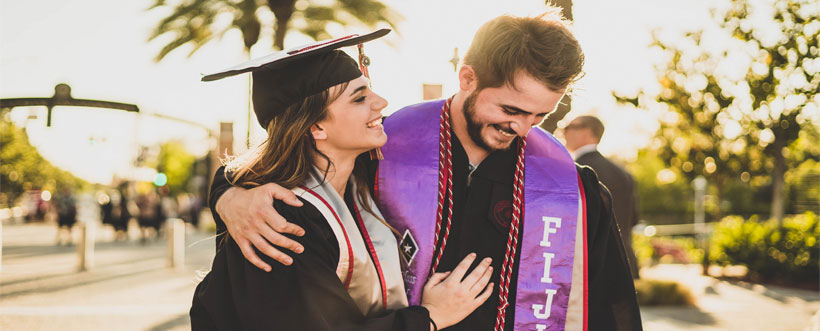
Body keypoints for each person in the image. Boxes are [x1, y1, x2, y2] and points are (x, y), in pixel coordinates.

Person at [210, 9, 643, 331]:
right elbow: (280, 166)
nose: (524, 128)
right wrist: (229, 194)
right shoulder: (380, 151)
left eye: (540, 116)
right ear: (467, 78)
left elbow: (612, 304)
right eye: (511, 109)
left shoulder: (569, 188)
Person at [190, 29, 493, 331]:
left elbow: (234, 173)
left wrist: (226, 194)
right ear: (316, 127)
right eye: (360, 98)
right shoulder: (281, 222)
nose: (382, 102)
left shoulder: (361, 172)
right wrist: (431, 317)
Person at [563, 115, 641, 279]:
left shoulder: (574, 171)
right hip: (623, 262)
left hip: (588, 266)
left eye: (568, 127)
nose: (563, 132)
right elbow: (634, 219)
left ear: (587, 132)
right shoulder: (623, 173)